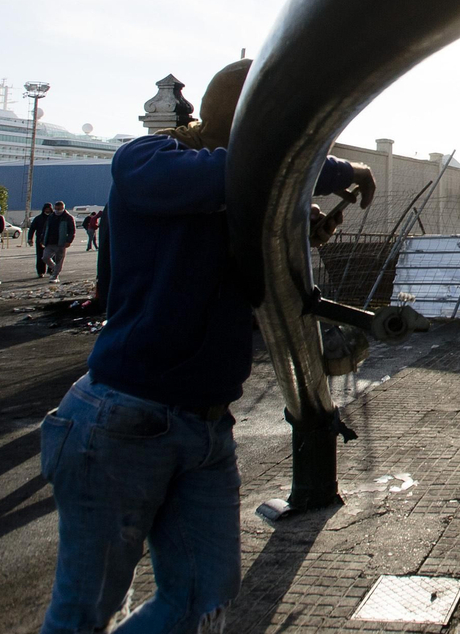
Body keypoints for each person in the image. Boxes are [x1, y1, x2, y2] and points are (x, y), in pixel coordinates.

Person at [38, 59, 375, 633]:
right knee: (82, 615)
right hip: (122, 419)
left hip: (206, 429)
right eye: (284, 130)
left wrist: (286, 235)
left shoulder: (239, 197)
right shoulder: (146, 159)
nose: (294, 145)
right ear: (250, 122)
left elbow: (246, 273)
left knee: (203, 599)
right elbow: (236, 175)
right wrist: (330, 167)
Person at [42, 201, 74, 283]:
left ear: (63, 208)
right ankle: (54, 268)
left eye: (59, 209)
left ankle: (55, 276)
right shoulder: (51, 217)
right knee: (45, 257)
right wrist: (42, 239)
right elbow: (45, 228)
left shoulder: (68, 217)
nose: (57, 211)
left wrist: (69, 240)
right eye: (56, 209)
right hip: (49, 241)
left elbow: (72, 231)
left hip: (61, 242)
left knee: (59, 260)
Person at [28, 203, 54, 278]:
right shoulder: (38, 218)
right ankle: (40, 271)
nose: (48, 210)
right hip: (40, 240)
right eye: (46, 208)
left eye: (49, 209)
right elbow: (32, 229)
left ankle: (51, 270)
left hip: (52, 240)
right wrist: (30, 239)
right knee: (40, 257)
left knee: (52, 256)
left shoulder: (54, 218)